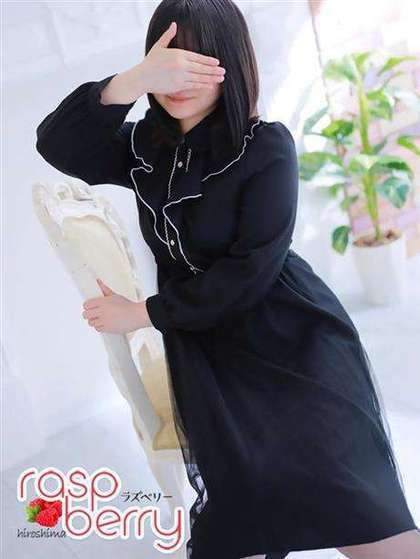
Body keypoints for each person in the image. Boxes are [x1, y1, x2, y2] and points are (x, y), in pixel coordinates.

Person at [35, 1, 420, 558]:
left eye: (200, 61)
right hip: (208, 346)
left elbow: (248, 274)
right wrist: (132, 80)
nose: (181, 79)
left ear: (231, 64)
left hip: (288, 333)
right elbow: (55, 143)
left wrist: (142, 313)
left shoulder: (267, 147)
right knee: (244, 500)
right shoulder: (143, 148)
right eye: (170, 61)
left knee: (350, 496)